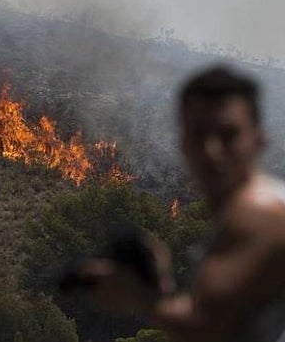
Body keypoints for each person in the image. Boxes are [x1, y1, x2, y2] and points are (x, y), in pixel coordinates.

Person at [78, 65, 285, 342]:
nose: (212, 151)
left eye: (228, 135)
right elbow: (218, 315)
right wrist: (159, 288)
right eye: (199, 135)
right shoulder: (256, 208)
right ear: (184, 145)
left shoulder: (256, 216)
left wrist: (143, 296)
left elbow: (205, 329)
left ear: (259, 141)